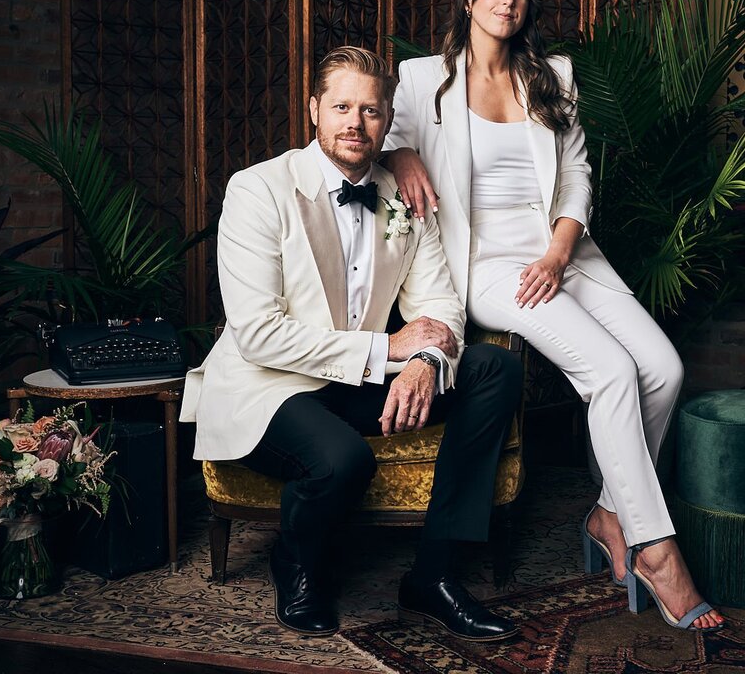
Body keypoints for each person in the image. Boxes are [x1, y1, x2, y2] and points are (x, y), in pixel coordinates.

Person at [383, 0, 725, 632]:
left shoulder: (552, 75)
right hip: (483, 264)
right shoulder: (422, 79)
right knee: (608, 371)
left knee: (662, 367)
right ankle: (656, 551)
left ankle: (608, 512)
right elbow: (380, 133)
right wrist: (404, 152)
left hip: (562, 250)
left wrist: (561, 251)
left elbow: (576, 176)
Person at [179, 46, 521, 642]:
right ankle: (298, 563)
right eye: (341, 106)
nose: (354, 123)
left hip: (358, 382)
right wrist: (391, 350)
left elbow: (440, 305)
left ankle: (434, 575)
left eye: (370, 110)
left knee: (493, 368)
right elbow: (258, 332)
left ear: (389, 119)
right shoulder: (258, 189)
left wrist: (425, 359)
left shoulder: (403, 195)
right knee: (343, 459)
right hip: (270, 385)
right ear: (313, 109)